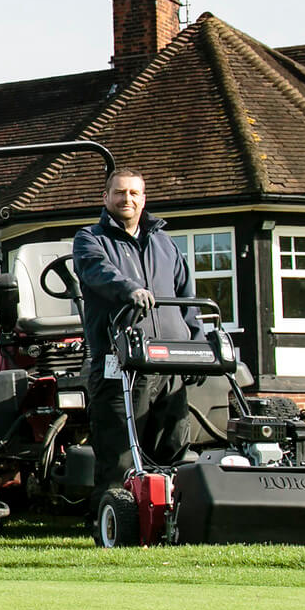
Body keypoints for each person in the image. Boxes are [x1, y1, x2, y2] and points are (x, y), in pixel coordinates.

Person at [72, 167, 201, 501]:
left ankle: (169, 515)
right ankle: (114, 515)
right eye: (119, 192)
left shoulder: (164, 243)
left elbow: (186, 295)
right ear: (105, 197)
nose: (126, 199)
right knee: (120, 452)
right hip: (121, 362)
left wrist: (197, 342)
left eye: (133, 193)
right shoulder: (90, 239)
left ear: (143, 199)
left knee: (172, 444)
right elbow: (98, 271)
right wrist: (129, 290)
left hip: (169, 361)